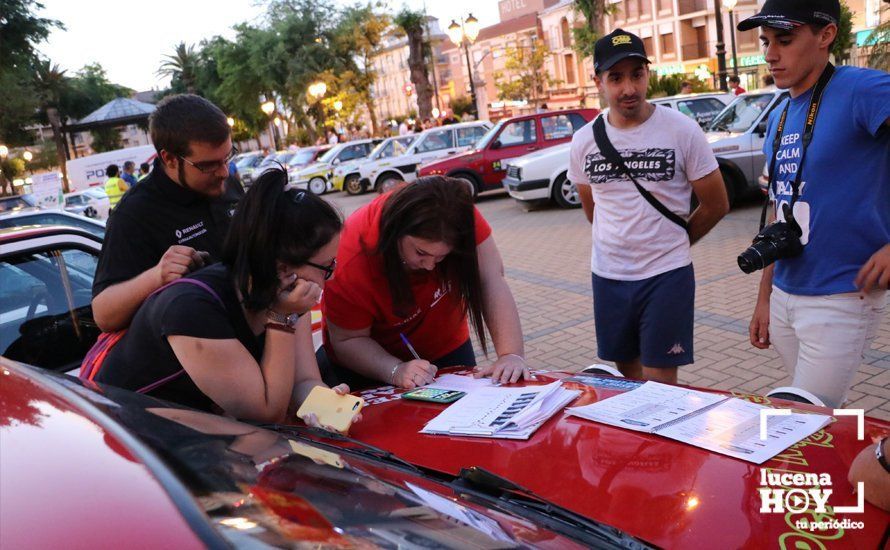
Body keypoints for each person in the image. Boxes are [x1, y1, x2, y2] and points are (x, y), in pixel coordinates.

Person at [95, 169, 348, 423]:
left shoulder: (289, 297)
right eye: (327, 266)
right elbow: (266, 413)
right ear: (283, 267)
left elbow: (302, 381)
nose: (332, 276)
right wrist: (281, 318)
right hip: (127, 436)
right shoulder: (193, 309)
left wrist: (327, 406)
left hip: (191, 434)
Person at [743, 0, 889, 408]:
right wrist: (765, 296)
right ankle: (852, 467)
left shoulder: (863, 90)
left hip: (841, 295)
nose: (771, 54)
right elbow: (781, 210)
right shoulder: (779, 115)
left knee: (805, 417)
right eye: (766, 41)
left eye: (785, 40)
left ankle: (862, 472)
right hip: (786, 294)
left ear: (826, 35)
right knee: (823, 419)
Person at [568, 29, 729, 384]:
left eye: (637, 75)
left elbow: (717, 204)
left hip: (666, 274)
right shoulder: (583, 142)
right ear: (598, 81)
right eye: (616, 77)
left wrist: (676, 241)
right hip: (609, 276)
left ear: (648, 75)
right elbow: (593, 209)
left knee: (659, 382)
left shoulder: (681, 130)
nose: (629, 88)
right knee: (628, 375)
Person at [322, 176, 529, 389]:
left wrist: (510, 354)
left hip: (447, 342)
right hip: (372, 362)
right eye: (421, 252)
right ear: (396, 232)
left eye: (443, 257)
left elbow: (491, 279)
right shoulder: (351, 256)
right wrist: (395, 370)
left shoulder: (455, 212)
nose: (430, 266)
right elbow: (347, 340)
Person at [92, 94, 237, 333]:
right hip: (198, 357)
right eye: (208, 165)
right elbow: (104, 314)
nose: (223, 172)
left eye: (228, 157)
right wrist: (157, 276)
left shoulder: (225, 183)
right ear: (169, 158)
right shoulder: (136, 213)